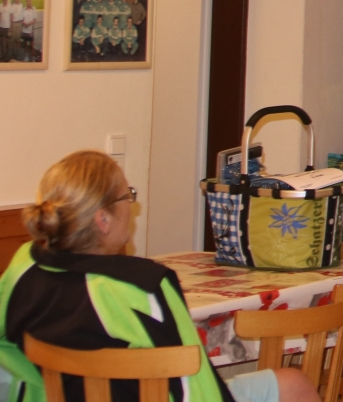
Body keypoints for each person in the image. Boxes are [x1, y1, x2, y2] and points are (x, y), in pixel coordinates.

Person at [0, 150, 319, 402]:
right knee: (293, 384)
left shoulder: (23, 269)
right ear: (102, 220)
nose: (131, 206)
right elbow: (195, 388)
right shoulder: (144, 287)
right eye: (127, 196)